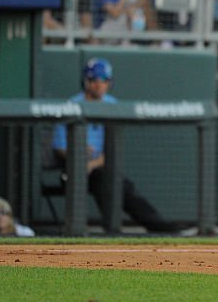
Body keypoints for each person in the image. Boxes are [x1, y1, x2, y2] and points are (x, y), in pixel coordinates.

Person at [52, 58, 188, 233]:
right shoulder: (71, 105)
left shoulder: (112, 105)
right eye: (95, 81)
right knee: (105, 181)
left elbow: (112, 148)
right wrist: (78, 151)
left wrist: (93, 163)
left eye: (104, 81)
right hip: (72, 169)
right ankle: (110, 229)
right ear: (86, 81)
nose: (99, 86)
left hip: (99, 167)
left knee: (120, 184)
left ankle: (160, 227)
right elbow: (59, 148)